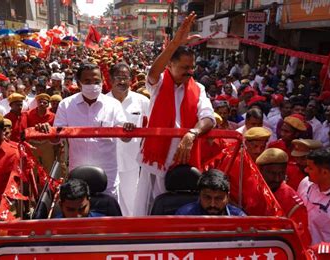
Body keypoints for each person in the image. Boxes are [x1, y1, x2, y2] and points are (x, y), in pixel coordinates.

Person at [135, 13, 215, 216]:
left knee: (180, 207)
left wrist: (192, 133)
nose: (190, 71)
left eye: (192, 67)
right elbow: (153, 71)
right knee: (152, 207)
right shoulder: (159, 83)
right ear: (170, 66)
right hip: (157, 157)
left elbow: (208, 117)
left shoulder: (198, 88)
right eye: (184, 67)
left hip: (184, 156)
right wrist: (175, 42)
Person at [37, 63, 132, 199]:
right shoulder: (66, 105)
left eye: (96, 81)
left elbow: (125, 137)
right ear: (79, 83)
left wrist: (128, 130)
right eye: (87, 81)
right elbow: (56, 138)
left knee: (108, 214)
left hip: (108, 175)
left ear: (102, 82)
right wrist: (47, 131)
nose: (93, 85)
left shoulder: (113, 105)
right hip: (78, 174)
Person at [107, 63, 149, 216]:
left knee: (133, 203)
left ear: (131, 80)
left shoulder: (142, 101)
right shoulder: (103, 101)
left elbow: (151, 126)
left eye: (126, 78)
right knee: (111, 202)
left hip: (132, 161)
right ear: (111, 79)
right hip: (107, 161)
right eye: (118, 78)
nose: (122, 82)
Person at [256, 148, 311, 246]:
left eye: (281, 173)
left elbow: (301, 241)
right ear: (260, 170)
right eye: (272, 173)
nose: (277, 179)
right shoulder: (253, 188)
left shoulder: (293, 204)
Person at [175, 169, 246, 216]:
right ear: (200, 195)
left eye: (218, 198)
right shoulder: (184, 216)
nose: (212, 204)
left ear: (227, 197)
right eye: (207, 198)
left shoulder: (238, 217)